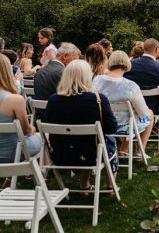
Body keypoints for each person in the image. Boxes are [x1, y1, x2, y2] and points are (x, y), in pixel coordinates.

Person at [45, 60, 118, 191]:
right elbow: (112, 128)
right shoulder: (98, 99)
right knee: (108, 141)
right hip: (92, 154)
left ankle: (85, 186)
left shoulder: (53, 100)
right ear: (87, 77)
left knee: (83, 142)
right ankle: (110, 186)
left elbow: (49, 123)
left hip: (61, 154)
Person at [93, 51, 154, 155]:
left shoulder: (96, 80)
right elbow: (143, 113)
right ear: (127, 64)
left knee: (131, 117)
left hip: (101, 123)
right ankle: (139, 152)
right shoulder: (131, 86)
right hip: (124, 127)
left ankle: (124, 150)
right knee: (150, 114)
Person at [0, 54, 43, 164]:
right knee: (43, 137)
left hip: (11, 149)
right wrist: (32, 129)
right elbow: (26, 131)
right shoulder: (15, 100)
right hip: (13, 154)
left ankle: (10, 180)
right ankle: (43, 174)